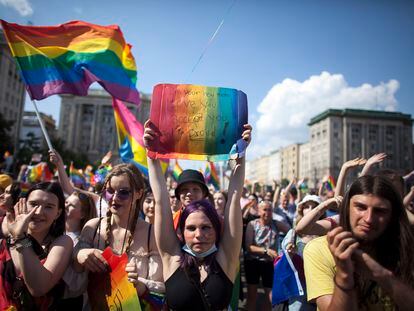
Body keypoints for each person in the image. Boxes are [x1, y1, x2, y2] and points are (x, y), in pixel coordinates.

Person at [144, 120, 252, 310]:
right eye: (191, 228)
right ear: (181, 231)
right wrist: (152, 155)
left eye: (206, 227)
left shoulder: (225, 257)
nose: (199, 234)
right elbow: (160, 198)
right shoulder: (172, 257)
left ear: (217, 229)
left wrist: (241, 155)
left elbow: (234, 198)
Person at [304, 175, 414, 310]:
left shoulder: (407, 248)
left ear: (392, 215)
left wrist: (382, 275)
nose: (368, 219)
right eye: (360, 207)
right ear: (347, 208)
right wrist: (344, 275)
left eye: (380, 211)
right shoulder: (320, 249)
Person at [74, 163, 165, 308]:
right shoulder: (92, 227)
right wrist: (79, 254)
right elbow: (74, 284)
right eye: (110, 191)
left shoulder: (151, 234)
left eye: (123, 192)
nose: (114, 198)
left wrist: (139, 285)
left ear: (138, 194)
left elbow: (160, 292)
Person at [0, 182, 73, 309]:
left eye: (49, 207)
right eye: (33, 204)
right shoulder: (4, 243)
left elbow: (38, 288)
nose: (38, 212)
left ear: (58, 213)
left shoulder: (62, 243)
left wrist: (21, 238)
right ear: (22, 205)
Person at [244, 200, 289, 310]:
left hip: (269, 263)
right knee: (252, 294)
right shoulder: (252, 224)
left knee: (270, 295)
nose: (267, 213)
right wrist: (266, 250)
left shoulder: (275, 224)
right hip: (253, 262)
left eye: (270, 210)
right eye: (264, 210)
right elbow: (248, 246)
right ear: (259, 211)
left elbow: (292, 231)